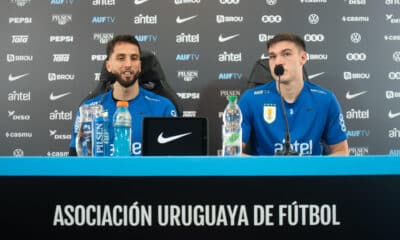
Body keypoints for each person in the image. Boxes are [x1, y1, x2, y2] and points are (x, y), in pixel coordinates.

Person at [238, 32, 349, 155]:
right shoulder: (250, 99)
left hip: (311, 173)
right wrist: (270, 168)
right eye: (272, 56)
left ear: (303, 58)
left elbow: (341, 151)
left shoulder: (326, 100)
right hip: (267, 174)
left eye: (286, 54)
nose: (278, 62)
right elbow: (232, 153)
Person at [69, 35, 177, 156]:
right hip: (103, 175)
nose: (128, 64)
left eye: (134, 58)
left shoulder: (163, 107)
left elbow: (173, 165)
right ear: (108, 66)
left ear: (140, 66)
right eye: (121, 58)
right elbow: (76, 161)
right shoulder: (89, 110)